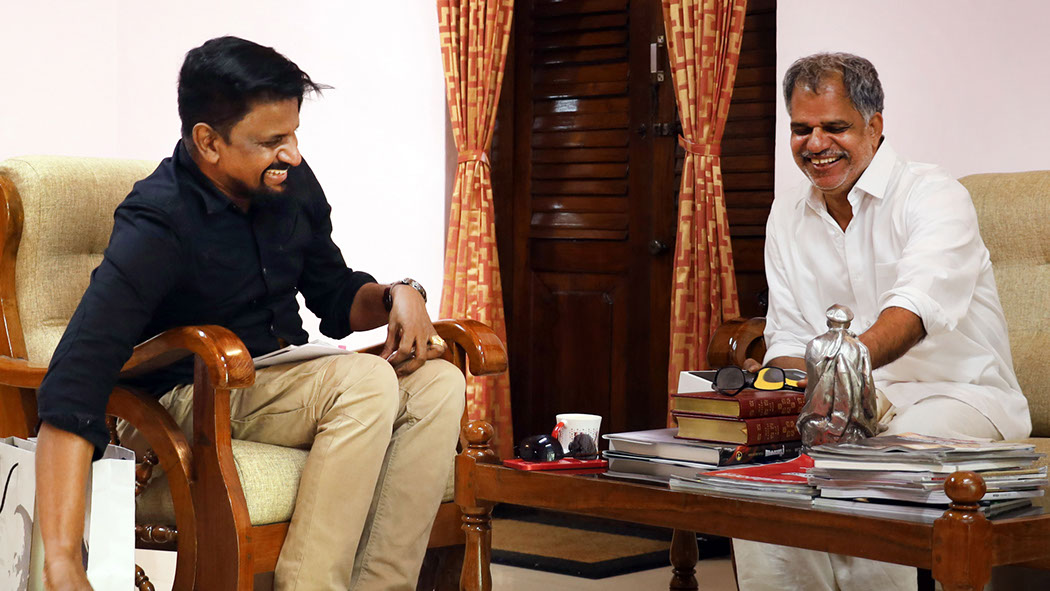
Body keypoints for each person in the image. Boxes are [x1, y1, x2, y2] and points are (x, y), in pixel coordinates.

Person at [34, 36, 465, 591]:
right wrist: (63, 561)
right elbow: (77, 375)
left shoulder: (289, 184)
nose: (293, 155)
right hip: (189, 397)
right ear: (208, 142)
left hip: (281, 378)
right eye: (272, 141)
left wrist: (398, 295)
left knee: (437, 385)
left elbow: (335, 294)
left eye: (293, 135)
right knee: (364, 383)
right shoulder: (159, 219)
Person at [733, 52, 1031, 591]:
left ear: (874, 126)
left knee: (874, 471)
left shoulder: (935, 195)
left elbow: (914, 311)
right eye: (801, 129)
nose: (815, 144)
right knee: (762, 482)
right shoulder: (786, 214)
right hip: (841, 408)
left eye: (834, 127)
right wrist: (782, 384)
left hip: (959, 397)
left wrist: (838, 370)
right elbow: (789, 337)